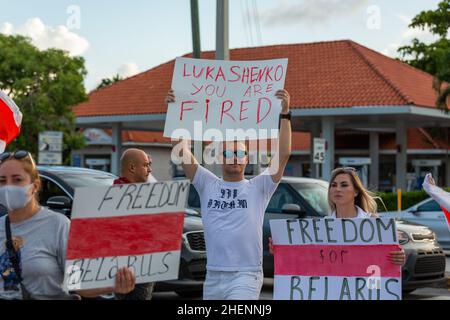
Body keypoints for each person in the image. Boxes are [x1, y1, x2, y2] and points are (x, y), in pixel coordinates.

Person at [166, 88, 292, 300]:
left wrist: (286, 113)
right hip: (213, 275)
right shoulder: (207, 183)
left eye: (240, 153)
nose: (234, 157)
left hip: (246, 274)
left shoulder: (259, 187)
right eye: (228, 153)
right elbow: (180, 150)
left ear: (246, 160)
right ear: (221, 158)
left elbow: (284, 153)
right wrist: (174, 110)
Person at [0, 150, 136, 300]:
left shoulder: (58, 225)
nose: (8, 187)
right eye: (2, 180)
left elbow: (77, 284)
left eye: (17, 179)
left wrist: (114, 285)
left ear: (35, 185)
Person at [269, 167, 406, 266]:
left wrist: (399, 257)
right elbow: (309, 259)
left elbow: (386, 260)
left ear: (356, 191)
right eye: (333, 185)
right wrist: (282, 251)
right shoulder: (322, 226)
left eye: (344, 185)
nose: (337, 189)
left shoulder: (373, 222)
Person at [113, 148, 155, 300]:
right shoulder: (112, 198)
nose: (149, 169)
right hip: (129, 267)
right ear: (132, 168)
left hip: (139, 265)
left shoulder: (111, 194)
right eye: (145, 165)